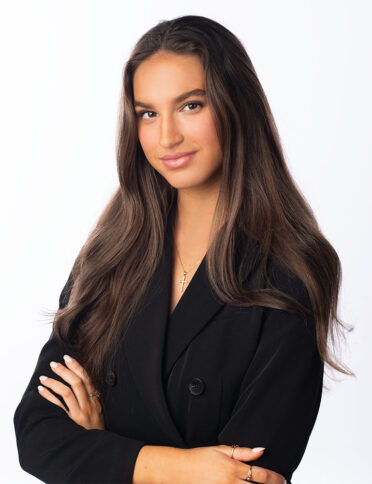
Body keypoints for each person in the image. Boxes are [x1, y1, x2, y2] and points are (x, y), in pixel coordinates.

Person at [13, 15, 354, 484]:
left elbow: (247, 478)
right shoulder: (110, 253)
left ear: (237, 106)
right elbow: (35, 436)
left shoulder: (292, 269)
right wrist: (179, 467)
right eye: (147, 113)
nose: (166, 137)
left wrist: (100, 448)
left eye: (190, 106)